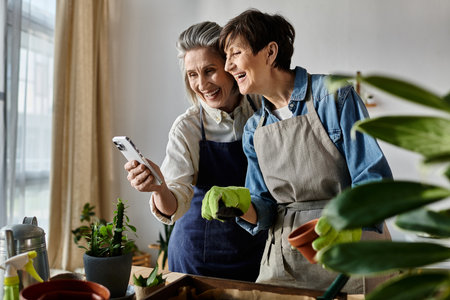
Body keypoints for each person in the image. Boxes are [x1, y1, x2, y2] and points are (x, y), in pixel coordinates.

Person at [202, 9, 393, 294]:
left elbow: (374, 179)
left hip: (352, 251)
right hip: (286, 260)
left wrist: (346, 220)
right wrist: (240, 204)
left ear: (270, 52)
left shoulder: (334, 97)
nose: (228, 66)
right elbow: (264, 210)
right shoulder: (255, 128)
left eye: (235, 53)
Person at [124, 21, 267, 282]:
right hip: (197, 258)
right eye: (192, 74)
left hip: (255, 251)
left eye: (210, 70)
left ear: (230, 66)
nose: (201, 84)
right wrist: (159, 188)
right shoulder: (187, 128)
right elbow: (174, 204)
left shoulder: (262, 108)